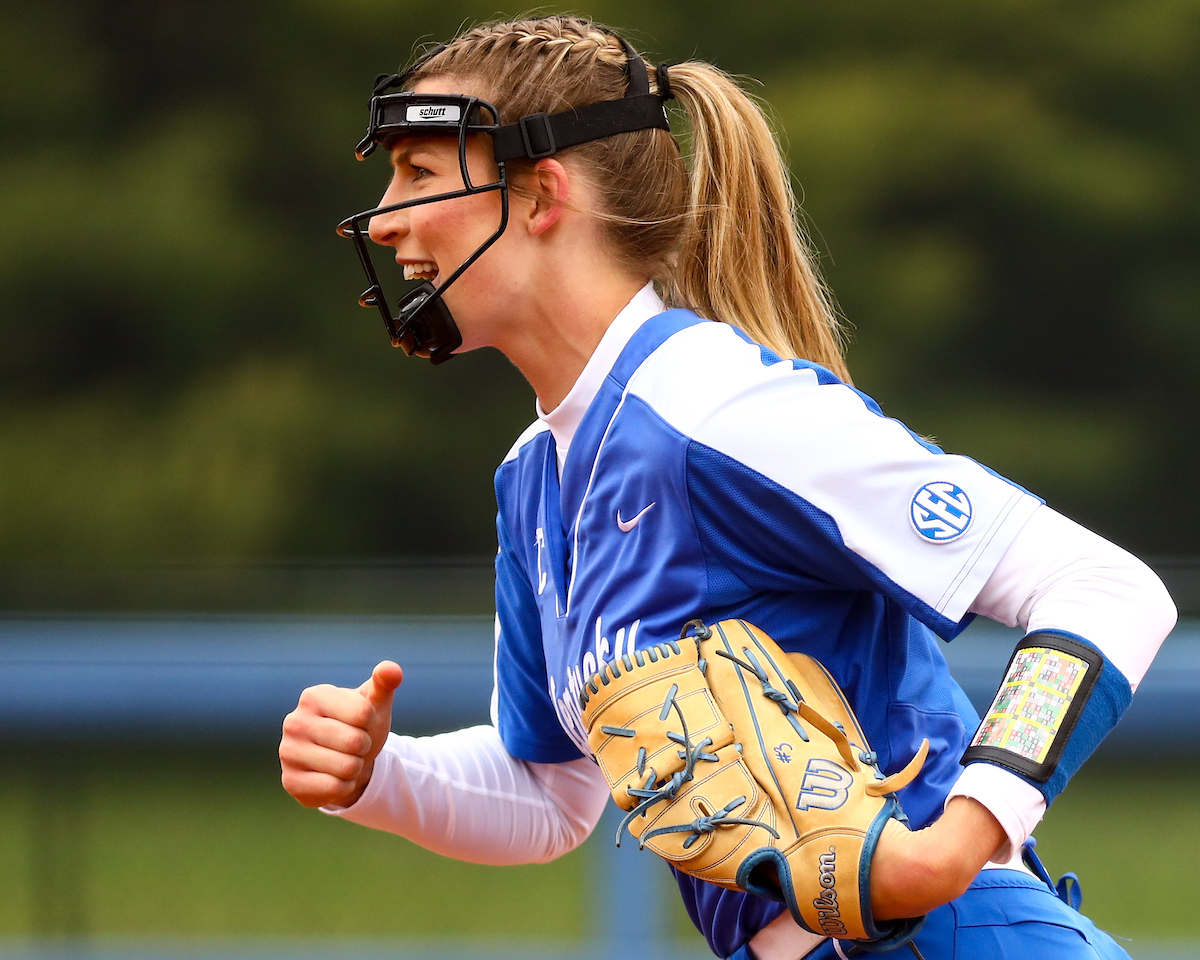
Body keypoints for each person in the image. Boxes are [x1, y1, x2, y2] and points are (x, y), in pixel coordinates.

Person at [278, 16, 1176, 960]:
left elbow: (1105, 590)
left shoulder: (711, 407)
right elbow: (551, 794)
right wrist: (382, 774)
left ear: (543, 193)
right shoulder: (536, 475)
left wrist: (961, 837)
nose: (384, 217)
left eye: (420, 173)